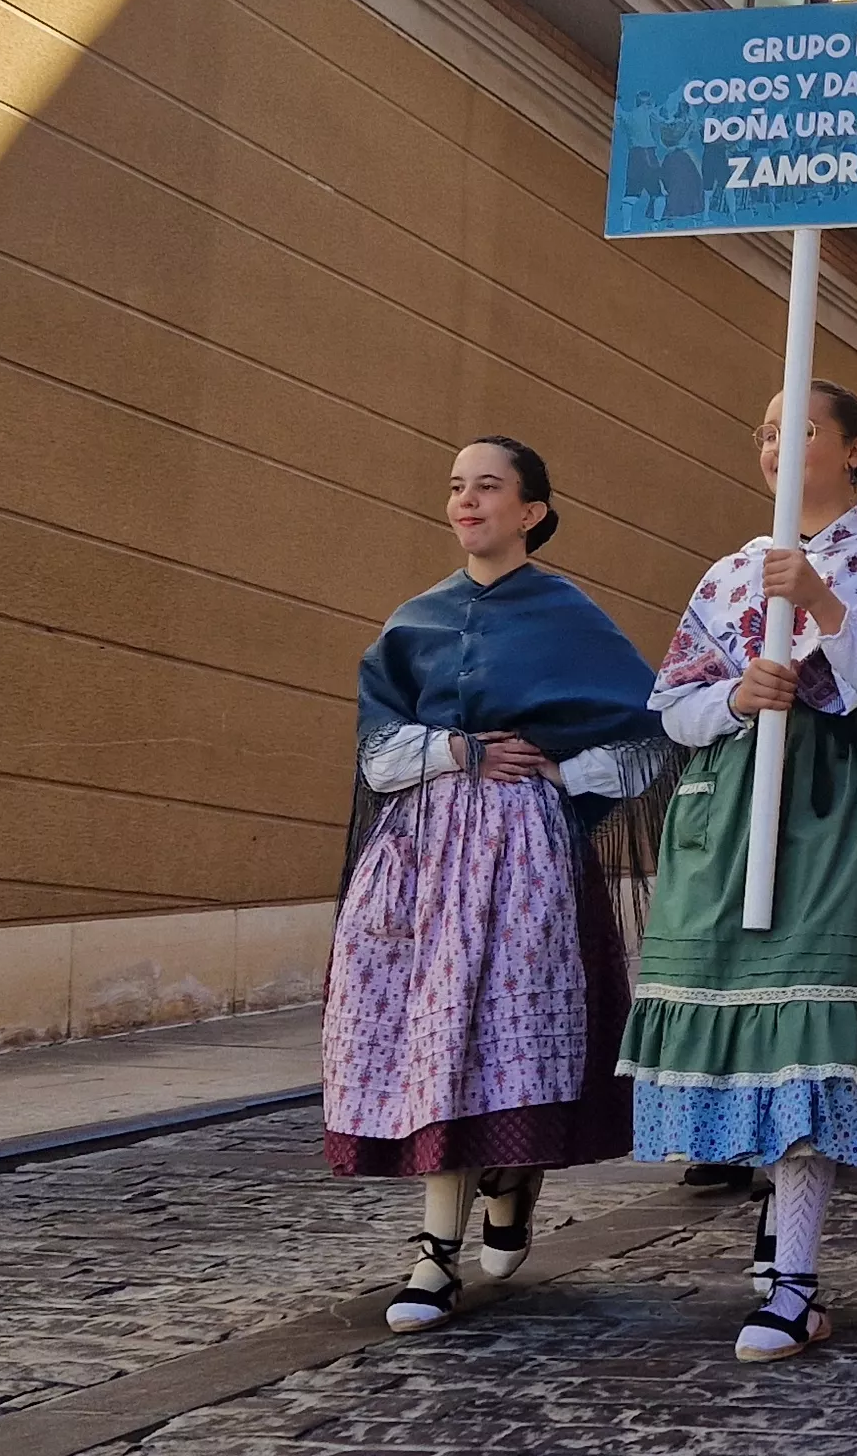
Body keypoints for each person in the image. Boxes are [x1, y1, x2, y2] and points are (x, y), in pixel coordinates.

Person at [622, 382, 857, 1361]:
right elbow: (675, 709)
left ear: (856, 450)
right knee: (749, 1029)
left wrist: (826, 605)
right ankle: (775, 1237)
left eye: (801, 430)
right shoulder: (728, 575)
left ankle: (792, 1281)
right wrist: (738, 696)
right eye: (766, 429)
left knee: (816, 1033)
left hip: (841, 811)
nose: (776, 444)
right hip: (735, 810)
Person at [333, 434, 674, 1334]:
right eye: (455, 487)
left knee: (509, 1032)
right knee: (434, 1037)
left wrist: (564, 777)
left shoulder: (570, 617)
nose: (466, 502)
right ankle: (435, 1251)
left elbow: (650, 735)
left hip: (528, 860)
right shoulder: (415, 620)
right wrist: (456, 749)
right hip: (424, 860)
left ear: (531, 512)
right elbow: (376, 749)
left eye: (487, 488)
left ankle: (513, 1176)